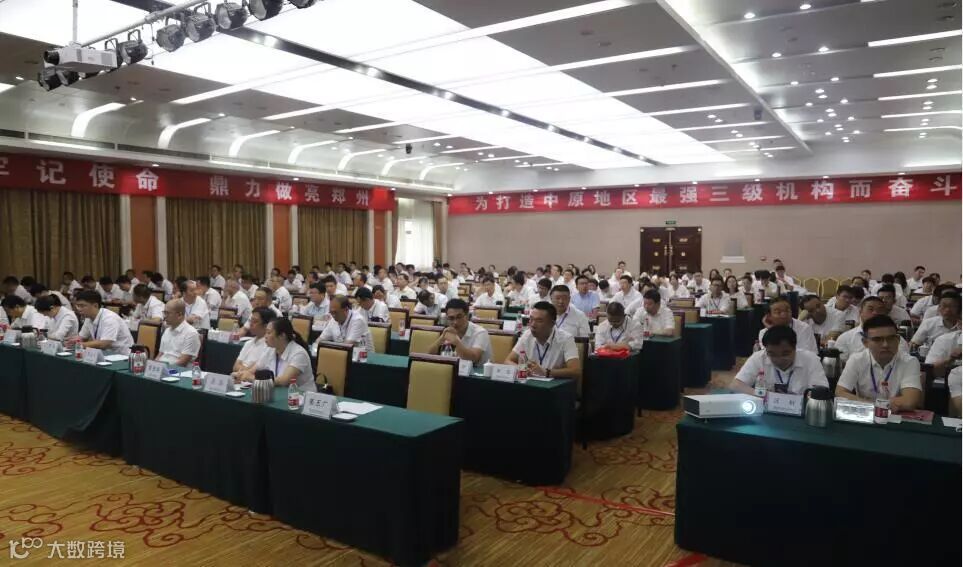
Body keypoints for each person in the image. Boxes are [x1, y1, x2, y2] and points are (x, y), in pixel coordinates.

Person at [835, 315, 921, 411]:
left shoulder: (909, 362)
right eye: (877, 340)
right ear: (865, 343)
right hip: (866, 414)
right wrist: (875, 405)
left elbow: (910, 401)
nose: (885, 345)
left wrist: (866, 403)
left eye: (890, 338)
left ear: (898, 340)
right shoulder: (856, 360)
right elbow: (840, 393)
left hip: (896, 416)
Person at [730, 325, 829, 396]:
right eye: (772, 354)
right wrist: (763, 395)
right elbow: (736, 385)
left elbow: (822, 391)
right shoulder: (759, 357)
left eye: (785, 354)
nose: (779, 359)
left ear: (795, 348)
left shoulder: (810, 359)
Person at [506, 301, 581, 380]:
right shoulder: (527, 335)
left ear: (552, 323)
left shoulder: (566, 339)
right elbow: (508, 361)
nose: (533, 325)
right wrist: (521, 369)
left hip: (554, 385)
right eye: (531, 319)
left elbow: (576, 371)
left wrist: (546, 372)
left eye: (539, 321)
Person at [237, 318, 315, 392]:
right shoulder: (270, 349)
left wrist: (252, 378)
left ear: (282, 336)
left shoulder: (299, 354)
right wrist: (241, 374)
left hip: (300, 396)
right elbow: (252, 370)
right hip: (277, 392)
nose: (265, 336)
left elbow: (283, 381)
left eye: (269, 333)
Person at [835, 297, 910, 362]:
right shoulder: (845, 338)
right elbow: (840, 365)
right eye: (870, 309)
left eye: (880, 310)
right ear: (860, 312)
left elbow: (904, 363)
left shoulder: (897, 339)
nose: (875, 313)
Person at [66, 290, 134, 356]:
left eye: (82, 306)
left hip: (122, 356)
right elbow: (82, 337)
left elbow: (104, 344)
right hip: (104, 354)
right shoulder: (88, 317)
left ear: (95, 305)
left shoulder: (110, 318)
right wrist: (72, 341)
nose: (79, 309)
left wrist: (80, 345)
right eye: (78, 306)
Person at [427, 298, 492, 365]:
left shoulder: (480, 333)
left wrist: (457, 343)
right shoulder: (449, 331)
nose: (455, 322)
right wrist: (441, 338)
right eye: (451, 318)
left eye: (459, 317)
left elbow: (474, 358)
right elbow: (429, 355)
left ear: (467, 316)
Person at [231, 307, 276, 376]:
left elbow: (256, 370)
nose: (251, 324)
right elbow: (235, 367)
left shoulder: (270, 346)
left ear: (266, 326)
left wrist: (242, 371)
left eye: (255, 321)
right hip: (240, 377)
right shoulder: (248, 343)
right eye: (250, 320)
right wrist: (246, 370)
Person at [155, 299, 201, 366]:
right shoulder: (167, 331)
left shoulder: (191, 333)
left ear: (179, 315)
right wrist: (154, 365)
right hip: (162, 367)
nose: (164, 316)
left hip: (178, 370)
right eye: (164, 313)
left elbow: (183, 362)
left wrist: (164, 369)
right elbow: (160, 355)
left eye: (167, 313)